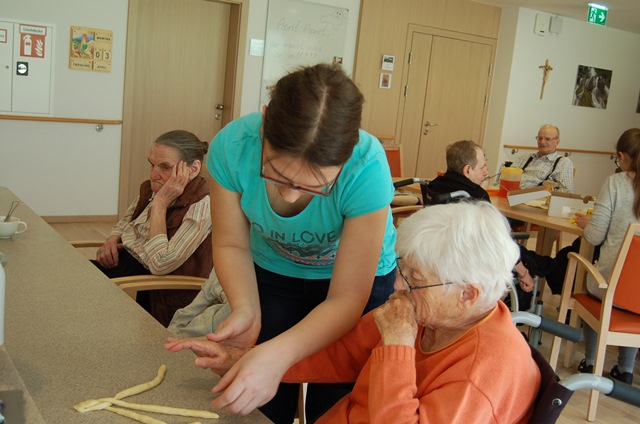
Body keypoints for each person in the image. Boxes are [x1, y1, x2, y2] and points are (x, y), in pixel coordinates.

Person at [165, 201, 541, 423]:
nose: (397, 286)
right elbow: (339, 353)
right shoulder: (430, 313)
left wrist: (397, 347)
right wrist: (247, 359)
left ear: (468, 294)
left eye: (414, 279)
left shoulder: (485, 371)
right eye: (402, 271)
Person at [202, 63, 397, 423]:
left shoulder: (367, 166)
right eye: (276, 174)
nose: (290, 197)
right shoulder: (232, 147)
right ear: (264, 123)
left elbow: (347, 298)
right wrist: (246, 308)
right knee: (260, 399)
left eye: (314, 185)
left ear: (348, 154)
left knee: (337, 404)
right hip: (274, 272)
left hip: (357, 288)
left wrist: (279, 355)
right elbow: (231, 246)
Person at [92, 130, 213, 325]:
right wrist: (111, 241)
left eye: (165, 167)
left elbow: (159, 264)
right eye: (152, 164)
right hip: (126, 265)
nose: (153, 174)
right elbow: (126, 222)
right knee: (69, 279)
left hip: (155, 289)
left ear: (193, 169)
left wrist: (160, 204)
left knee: (77, 301)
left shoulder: (202, 204)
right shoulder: (153, 187)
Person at [428, 139, 562, 306]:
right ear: (467, 170)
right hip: (475, 261)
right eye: (483, 166)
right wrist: (523, 272)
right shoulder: (475, 196)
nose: (486, 172)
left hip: (442, 258)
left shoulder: (435, 186)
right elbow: (498, 243)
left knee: (539, 261)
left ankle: (558, 272)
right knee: (535, 262)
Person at [573, 128, 640, 385]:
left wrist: (587, 223)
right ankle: (625, 370)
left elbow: (594, 237)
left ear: (622, 156)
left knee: (594, 281)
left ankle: (590, 363)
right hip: (637, 296)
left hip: (611, 290)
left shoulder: (616, 183)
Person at [502, 124, 574, 192]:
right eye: (540, 138)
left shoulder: (563, 162)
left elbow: (566, 191)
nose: (542, 142)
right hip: (510, 194)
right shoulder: (525, 157)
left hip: (535, 200)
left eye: (547, 139)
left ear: (557, 142)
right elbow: (507, 177)